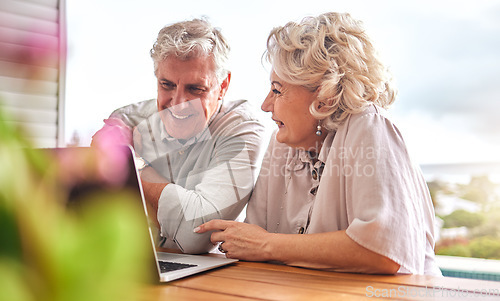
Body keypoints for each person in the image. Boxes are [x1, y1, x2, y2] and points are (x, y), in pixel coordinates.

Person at [195, 12, 442, 275]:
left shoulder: (368, 126)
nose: (265, 105)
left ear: (325, 94)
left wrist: (269, 245)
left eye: (277, 90)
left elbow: (383, 251)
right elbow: (252, 245)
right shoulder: (281, 144)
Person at [92, 18, 265, 254]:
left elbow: (196, 234)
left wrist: (132, 164)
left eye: (195, 89)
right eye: (167, 85)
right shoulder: (126, 122)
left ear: (223, 86)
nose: (178, 104)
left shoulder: (242, 130)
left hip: (208, 281)